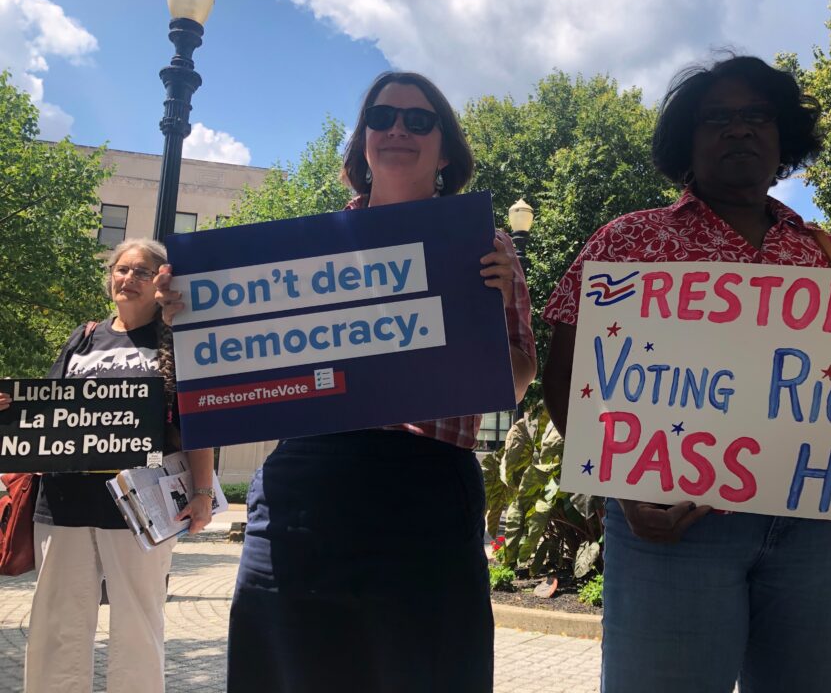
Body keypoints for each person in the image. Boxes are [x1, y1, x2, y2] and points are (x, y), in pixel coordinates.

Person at [541, 55, 831, 693]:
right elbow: (563, 374)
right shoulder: (628, 243)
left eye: (756, 115)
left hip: (821, 532)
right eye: (717, 118)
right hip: (674, 521)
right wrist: (617, 486)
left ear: (782, 135)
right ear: (688, 140)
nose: (739, 129)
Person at [156, 71, 537, 693]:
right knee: (287, 667)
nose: (397, 130)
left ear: (446, 150)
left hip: (428, 488)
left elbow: (517, 381)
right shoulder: (303, 252)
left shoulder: (486, 249)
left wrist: (488, 318)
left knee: (424, 668)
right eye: (383, 117)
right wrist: (195, 309)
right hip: (306, 486)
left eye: (419, 121)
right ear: (363, 142)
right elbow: (244, 361)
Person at [0, 238, 214, 693]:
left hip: (141, 506)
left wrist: (202, 494)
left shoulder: (176, 338)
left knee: (138, 623)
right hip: (63, 502)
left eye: (142, 271)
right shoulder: (84, 336)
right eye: (121, 269)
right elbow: (47, 411)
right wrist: (10, 410)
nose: (128, 278)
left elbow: (200, 421)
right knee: (57, 624)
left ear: (162, 282)